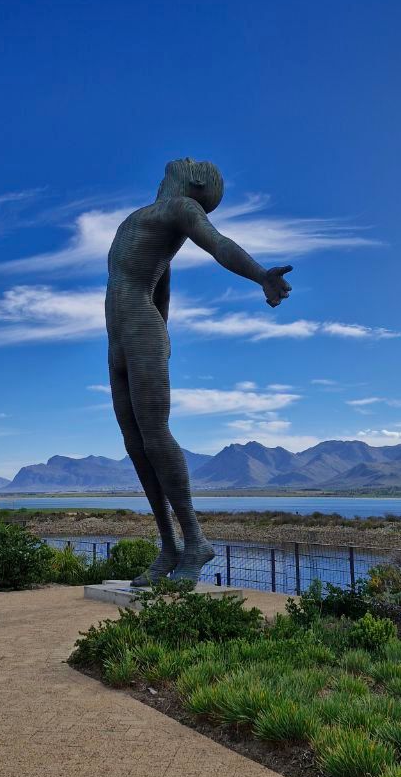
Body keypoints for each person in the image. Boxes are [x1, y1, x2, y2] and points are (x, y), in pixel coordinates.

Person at [106, 157, 292, 584]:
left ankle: (196, 540)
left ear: (192, 180)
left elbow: (219, 244)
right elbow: (162, 289)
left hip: (140, 332)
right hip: (120, 340)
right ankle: (169, 546)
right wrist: (159, 336)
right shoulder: (146, 219)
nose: (173, 165)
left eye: (187, 163)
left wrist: (260, 275)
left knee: (155, 434)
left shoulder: (182, 207)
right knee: (135, 443)